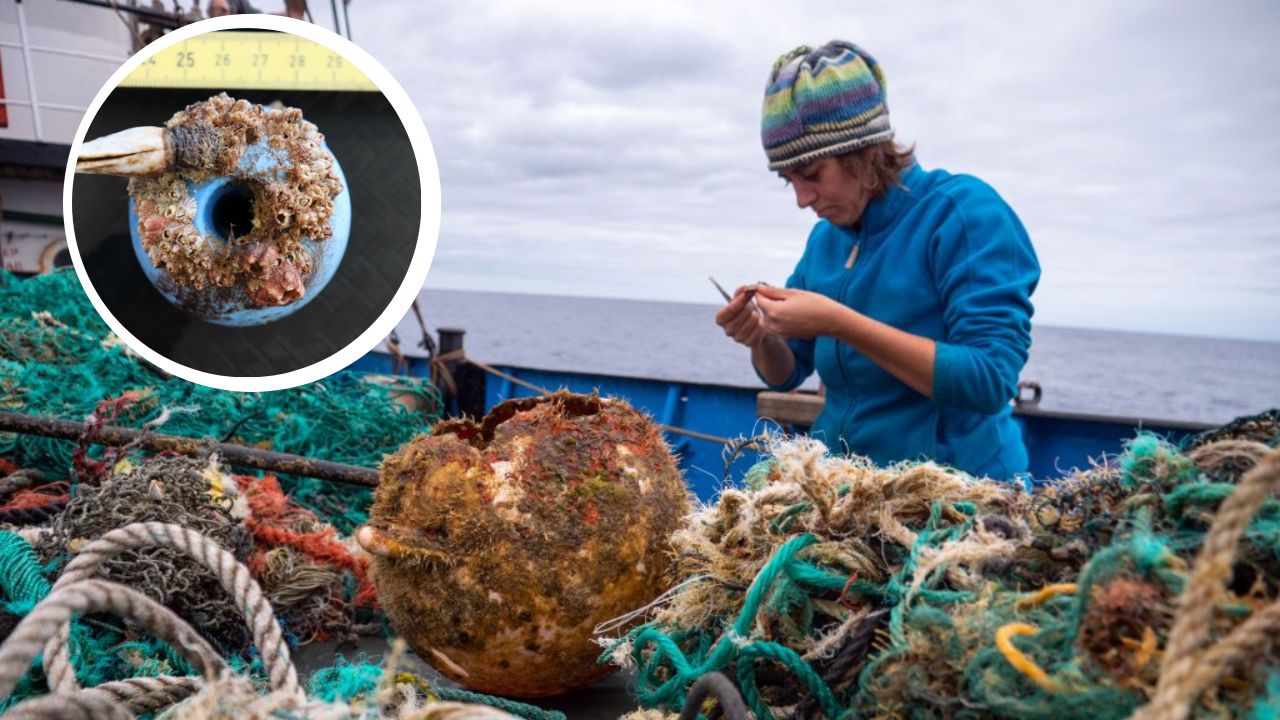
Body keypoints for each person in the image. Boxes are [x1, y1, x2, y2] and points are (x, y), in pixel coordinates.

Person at [716, 40, 1040, 480]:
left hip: (955, 493)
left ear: (865, 152)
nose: (801, 199)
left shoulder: (963, 214)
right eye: (786, 179)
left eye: (812, 175)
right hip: (847, 490)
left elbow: (988, 380)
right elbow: (786, 372)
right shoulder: (825, 239)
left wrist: (839, 322)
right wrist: (760, 337)